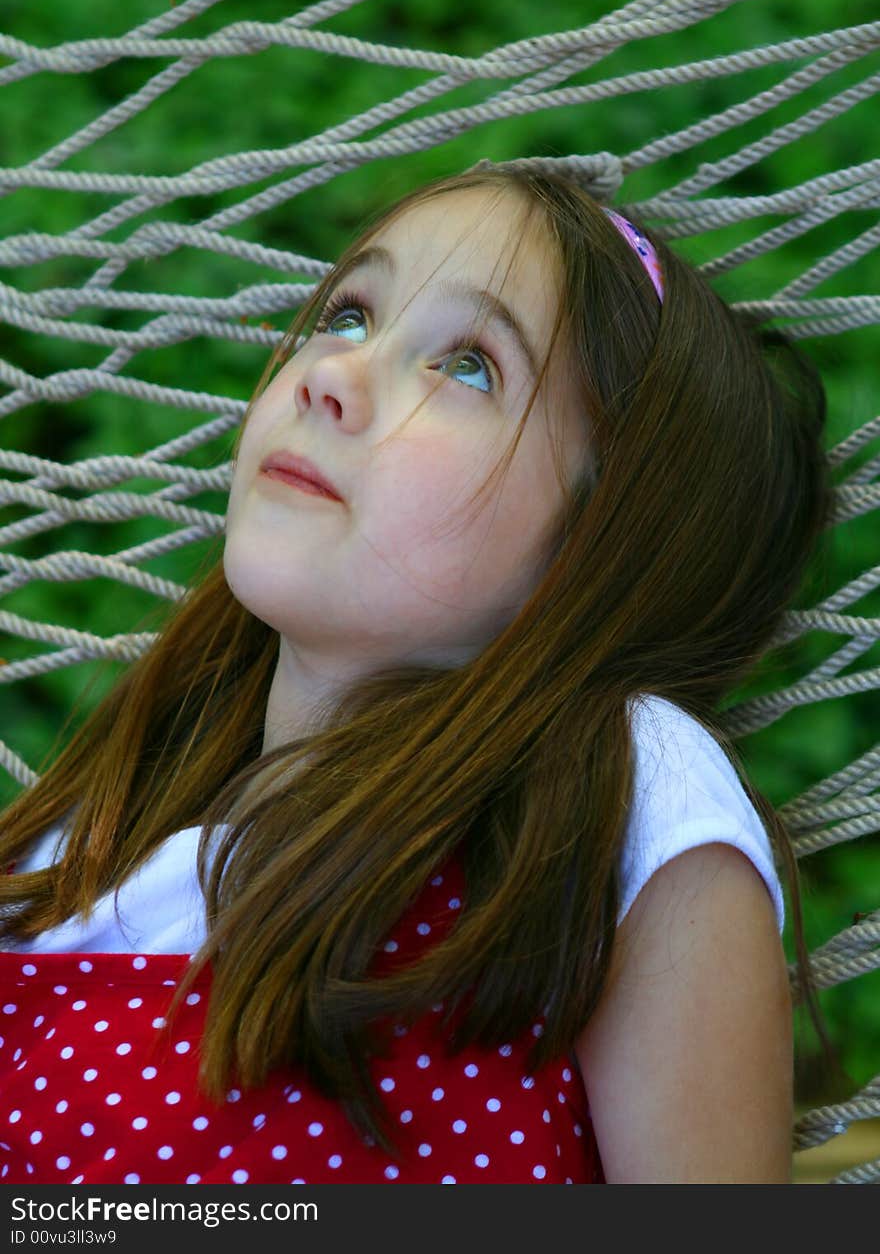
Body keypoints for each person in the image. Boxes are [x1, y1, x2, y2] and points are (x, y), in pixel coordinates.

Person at [0, 161, 842, 1185]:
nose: (328, 374)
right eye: (348, 313)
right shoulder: (74, 853)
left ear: (599, 544)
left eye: (469, 366)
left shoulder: (614, 788)